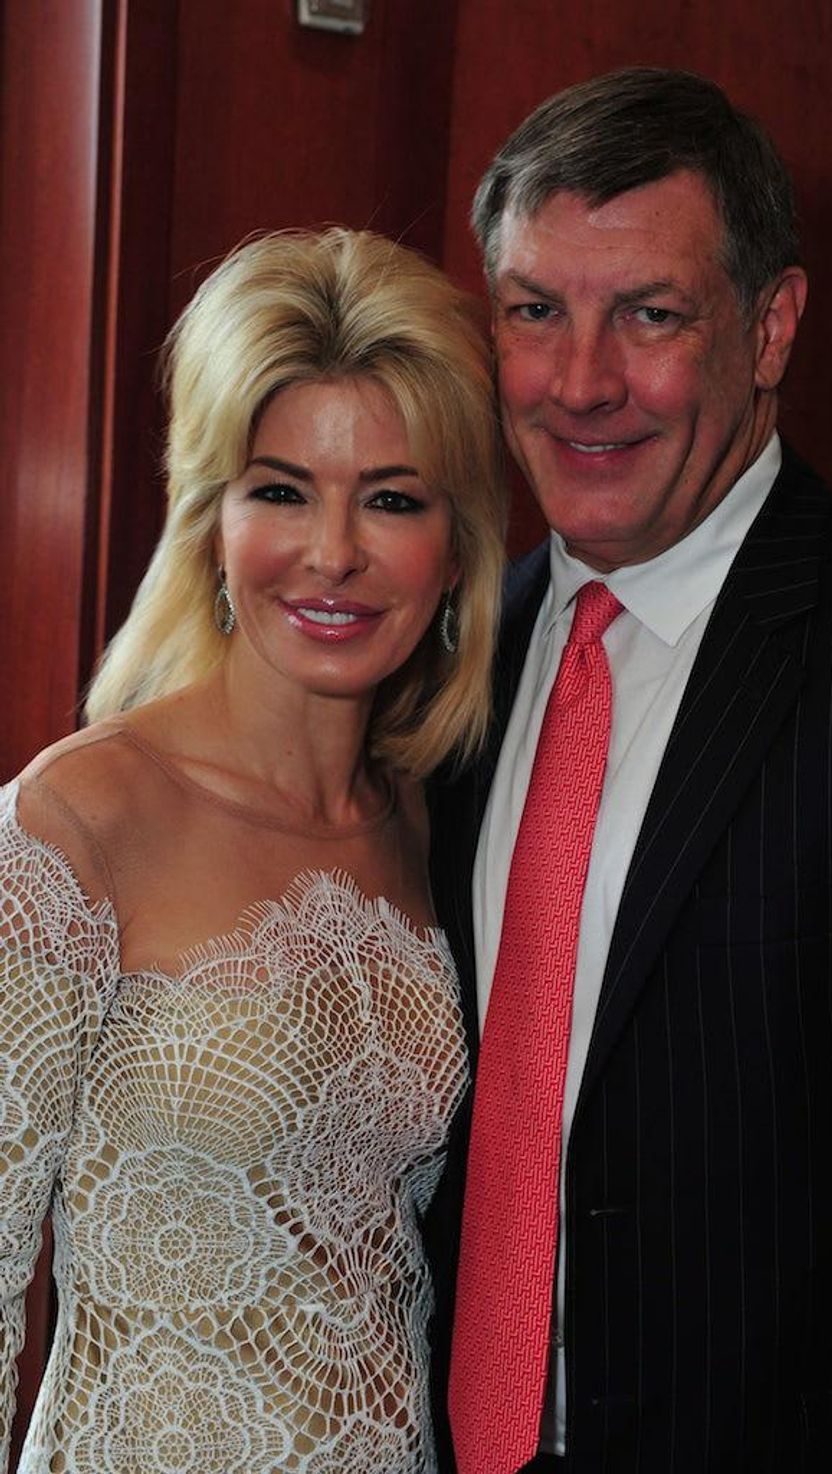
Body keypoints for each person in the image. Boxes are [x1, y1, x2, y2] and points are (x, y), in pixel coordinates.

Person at [426, 67, 832, 1473]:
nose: (582, 382)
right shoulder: (434, 660)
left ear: (772, 325)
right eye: (535, 312)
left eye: (652, 316)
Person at [0, 226, 506, 1473]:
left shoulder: (431, 822)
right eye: (280, 489)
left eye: (390, 498)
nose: (331, 553)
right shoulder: (78, 822)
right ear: (211, 520)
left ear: (454, 549)